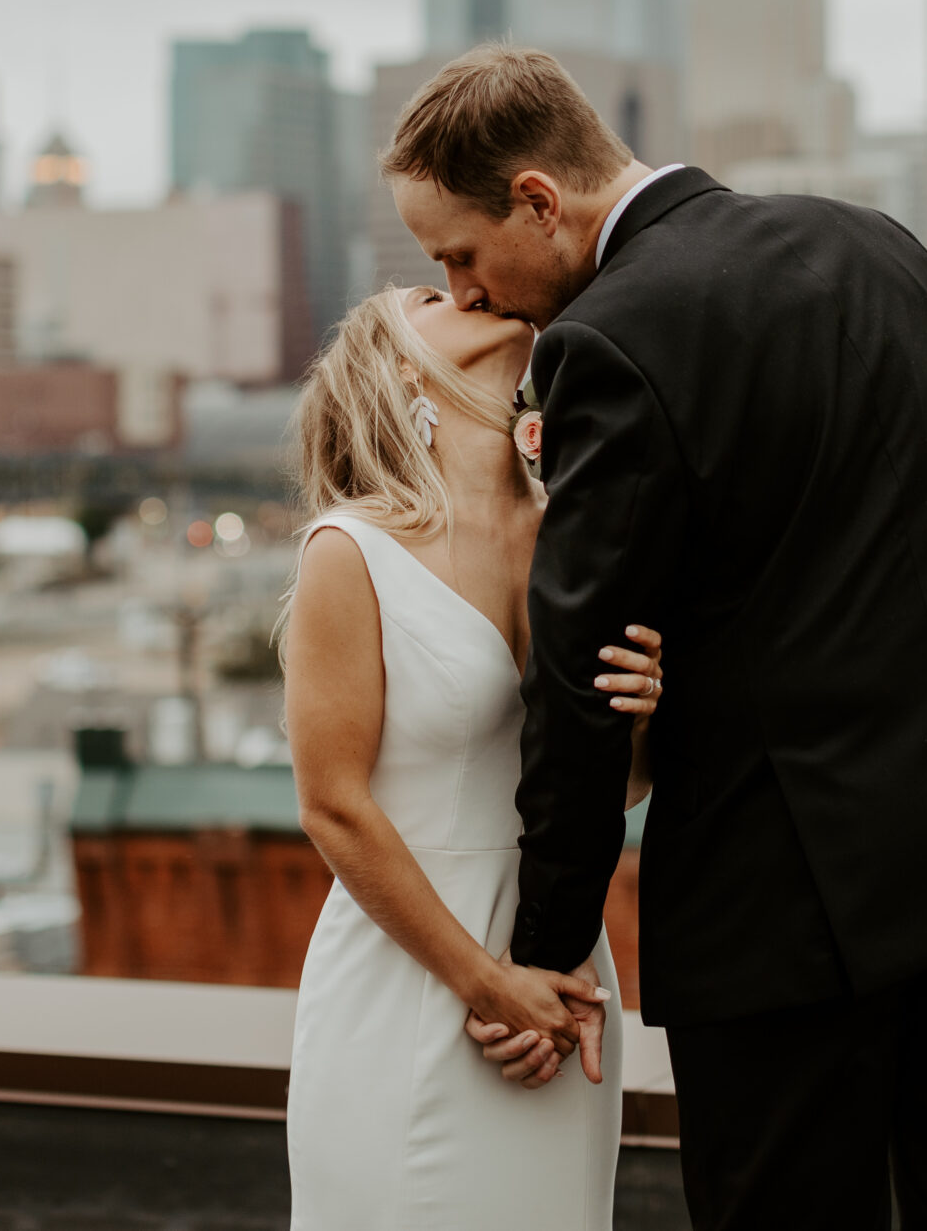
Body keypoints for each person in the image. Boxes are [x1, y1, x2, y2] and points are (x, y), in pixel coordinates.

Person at [383, 44, 927, 1230]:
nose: (467, 290)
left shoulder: (606, 342)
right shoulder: (878, 243)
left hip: (785, 890)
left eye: (461, 255)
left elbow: (583, 681)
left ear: (539, 199)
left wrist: (544, 950)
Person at [282, 281, 666, 1230]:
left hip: (561, 973)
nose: (470, 288)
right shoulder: (351, 551)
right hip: (408, 976)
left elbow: (610, 789)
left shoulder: (570, 536)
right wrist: (485, 982)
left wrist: (647, 712)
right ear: (400, 365)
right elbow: (332, 805)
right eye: (430, 293)